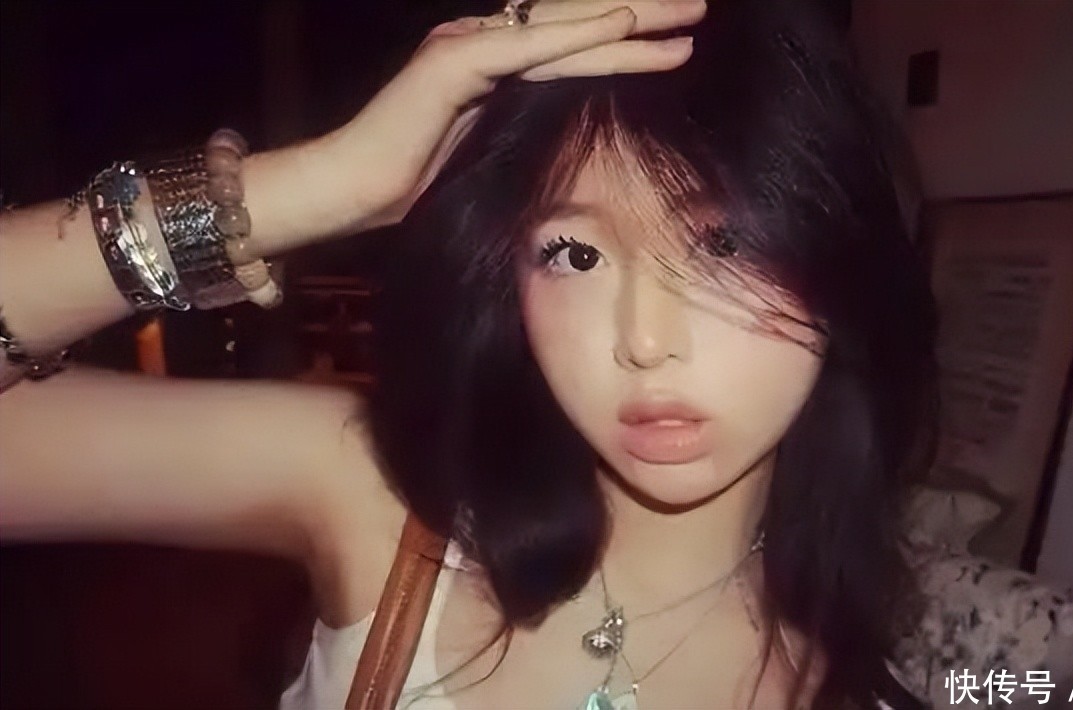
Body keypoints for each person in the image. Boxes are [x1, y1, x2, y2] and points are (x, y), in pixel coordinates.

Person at [0, 0, 935, 708]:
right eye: (574, 254)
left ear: (838, 255)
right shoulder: (382, 503)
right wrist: (317, 187)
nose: (645, 341)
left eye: (721, 244)